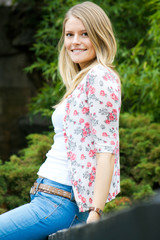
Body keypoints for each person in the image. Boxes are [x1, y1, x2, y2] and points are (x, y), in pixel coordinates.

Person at [0, 1, 121, 239]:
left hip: (60, 201)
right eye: (69, 34)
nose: (75, 41)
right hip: (49, 195)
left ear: (100, 36)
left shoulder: (100, 77)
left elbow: (106, 150)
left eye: (84, 34)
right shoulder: (82, 80)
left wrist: (95, 213)